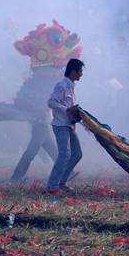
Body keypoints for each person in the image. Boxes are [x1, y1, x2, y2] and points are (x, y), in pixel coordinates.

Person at [44, 59, 84, 195]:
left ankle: (61, 183)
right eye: (80, 71)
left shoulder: (71, 86)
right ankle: (52, 186)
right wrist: (67, 110)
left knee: (77, 154)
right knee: (64, 154)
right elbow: (51, 102)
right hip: (60, 125)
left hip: (68, 125)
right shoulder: (61, 86)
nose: (81, 74)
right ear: (73, 71)